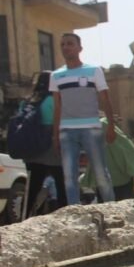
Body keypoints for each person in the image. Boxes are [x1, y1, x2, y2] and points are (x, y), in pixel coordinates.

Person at [50, 32, 117, 205]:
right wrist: (55, 135)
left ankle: (111, 208)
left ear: (79, 48)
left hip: (91, 128)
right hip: (66, 131)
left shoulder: (94, 71)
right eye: (63, 44)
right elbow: (57, 107)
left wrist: (111, 126)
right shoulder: (55, 76)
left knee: (101, 173)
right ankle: (75, 210)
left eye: (70, 43)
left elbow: (105, 99)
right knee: (69, 176)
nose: (66, 47)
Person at [20, 71, 66, 217]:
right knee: (61, 184)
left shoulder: (27, 102)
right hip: (52, 146)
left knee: (32, 186)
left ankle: (24, 215)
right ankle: (64, 215)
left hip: (33, 149)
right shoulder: (54, 101)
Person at [81, 117, 134, 200]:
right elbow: (130, 156)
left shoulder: (99, 133)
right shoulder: (118, 140)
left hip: (108, 182)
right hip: (121, 181)